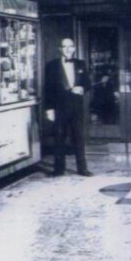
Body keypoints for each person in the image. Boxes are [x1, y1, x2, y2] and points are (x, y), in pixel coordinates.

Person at [44, 38, 92, 176]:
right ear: (60, 49)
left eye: (70, 46)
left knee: (79, 137)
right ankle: (58, 170)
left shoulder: (80, 64)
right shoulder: (51, 66)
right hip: (59, 107)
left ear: (74, 48)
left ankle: (82, 169)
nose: (67, 49)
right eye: (64, 46)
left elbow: (88, 83)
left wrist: (81, 88)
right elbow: (48, 89)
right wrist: (49, 109)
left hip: (77, 107)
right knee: (59, 138)